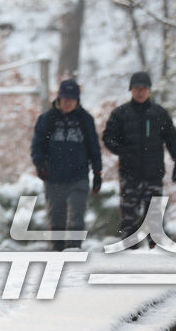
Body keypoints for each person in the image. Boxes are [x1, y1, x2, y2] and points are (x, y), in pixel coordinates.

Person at [101, 71, 176, 245]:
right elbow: (108, 137)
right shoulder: (121, 113)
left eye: (144, 88)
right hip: (130, 174)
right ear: (131, 90)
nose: (140, 92)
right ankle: (129, 258)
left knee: (155, 221)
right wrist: (122, 151)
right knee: (129, 221)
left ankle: (156, 260)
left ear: (149, 90)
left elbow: (172, 138)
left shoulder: (159, 113)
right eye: (137, 88)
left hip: (154, 174)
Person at [30, 78, 102, 250]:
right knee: (56, 218)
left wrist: (97, 172)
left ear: (77, 100)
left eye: (72, 99)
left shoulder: (86, 120)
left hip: (79, 175)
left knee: (77, 213)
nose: (68, 102)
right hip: (53, 176)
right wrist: (39, 164)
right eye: (65, 98)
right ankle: (58, 250)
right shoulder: (46, 119)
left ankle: (74, 248)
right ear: (58, 98)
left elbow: (94, 147)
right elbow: (37, 145)